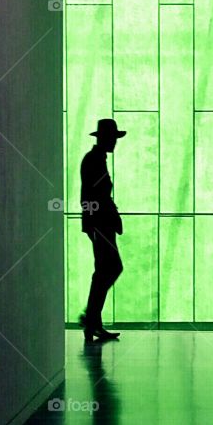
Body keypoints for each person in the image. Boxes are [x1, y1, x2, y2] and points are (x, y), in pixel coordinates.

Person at [79, 118, 125, 348]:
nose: (115, 143)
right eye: (113, 138)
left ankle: (92, 320)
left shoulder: (97, 159)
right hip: (101, 224)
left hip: (101, 223)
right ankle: (91, 319)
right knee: (111, 268)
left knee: (105, 270)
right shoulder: (94, 160)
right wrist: (90, 223)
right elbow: (88, 196)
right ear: (104, 138)